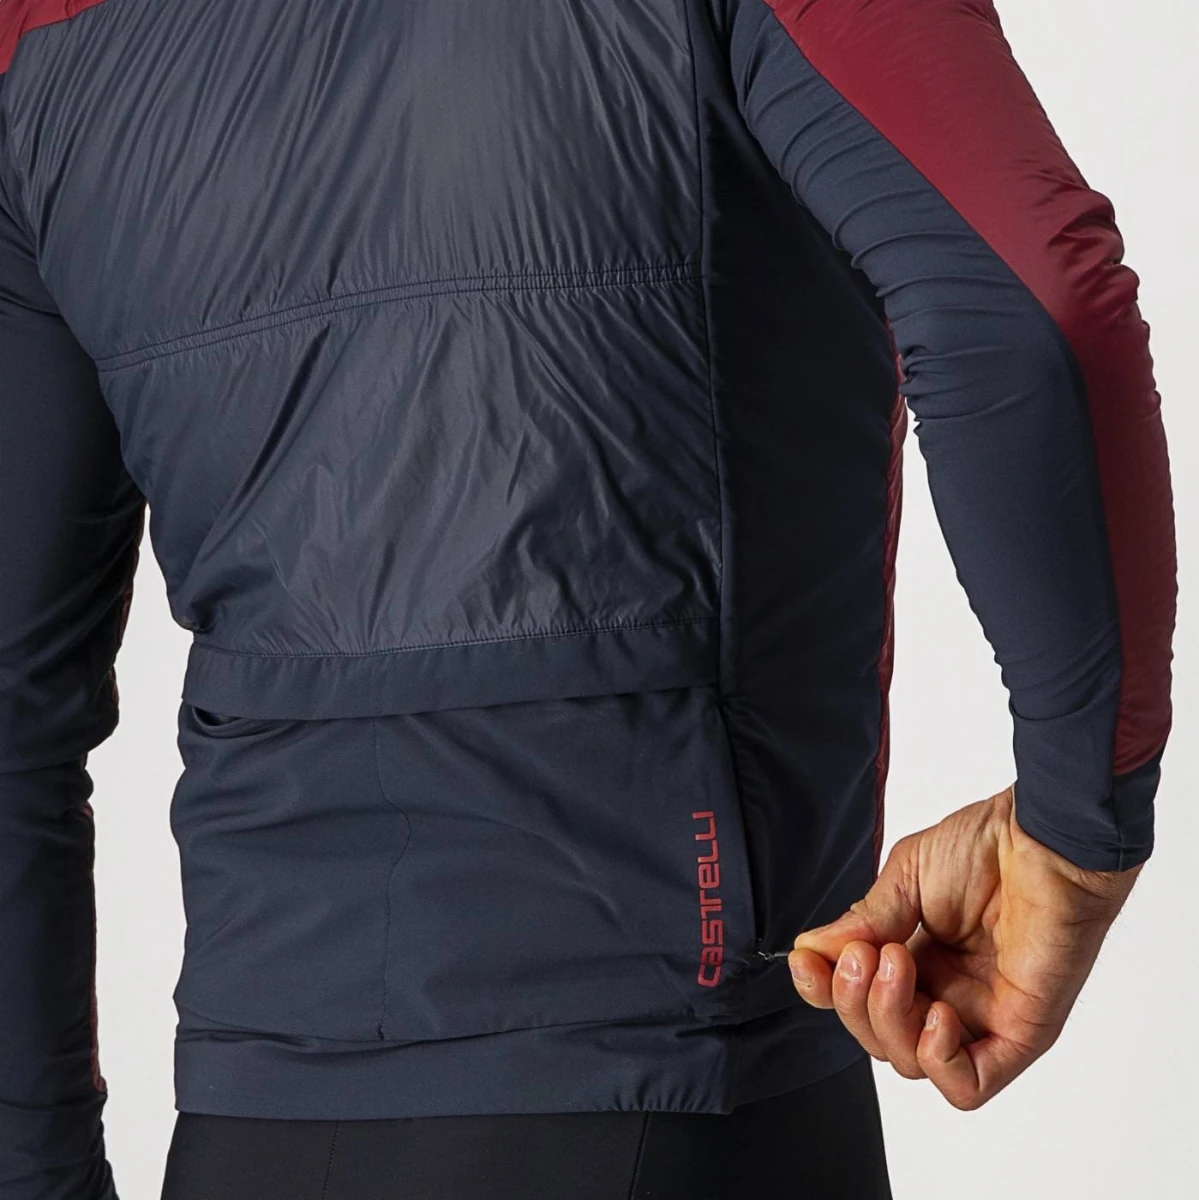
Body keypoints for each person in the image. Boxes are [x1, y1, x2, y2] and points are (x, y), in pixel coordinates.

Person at [0, 1, 1175, 1197]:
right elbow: (1029, 315)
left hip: (251, 1121)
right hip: (671, 1098)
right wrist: (1077, 826)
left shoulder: (38, 36)